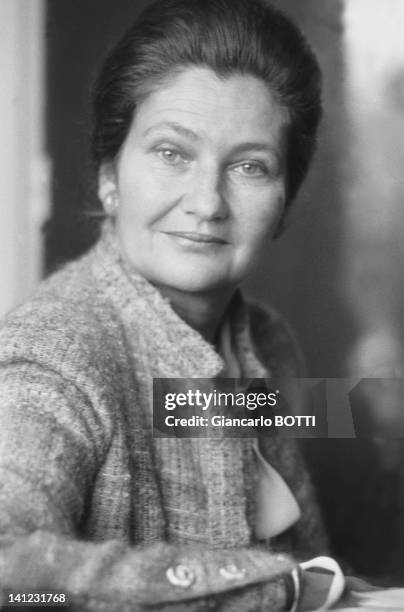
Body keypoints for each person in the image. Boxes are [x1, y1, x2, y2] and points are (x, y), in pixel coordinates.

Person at [0, 0, 337, 609]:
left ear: (284, 205)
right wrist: (282, 593)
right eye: (171, 152)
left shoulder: (270, 344)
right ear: (109, 176)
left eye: (250, 166)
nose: (207, 201)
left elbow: (312, 559)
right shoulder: (57, 353)